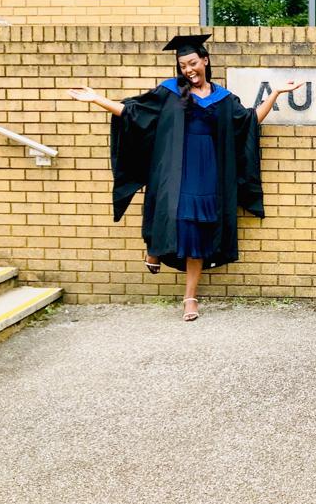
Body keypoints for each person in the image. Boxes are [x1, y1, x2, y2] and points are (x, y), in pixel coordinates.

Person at [68, 34, 302, 321]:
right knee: (170, 212)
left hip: (210, 173)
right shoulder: (170, 92)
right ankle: (155, 248)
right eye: (182, 66)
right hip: (174, 168)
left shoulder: (224, 99)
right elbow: (133, 114)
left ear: (205, 60)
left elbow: (250, 121)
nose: (188, 70)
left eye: (192, 63)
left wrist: (276, 93)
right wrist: (99, 99)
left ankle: (190, 298)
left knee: (198, 233)